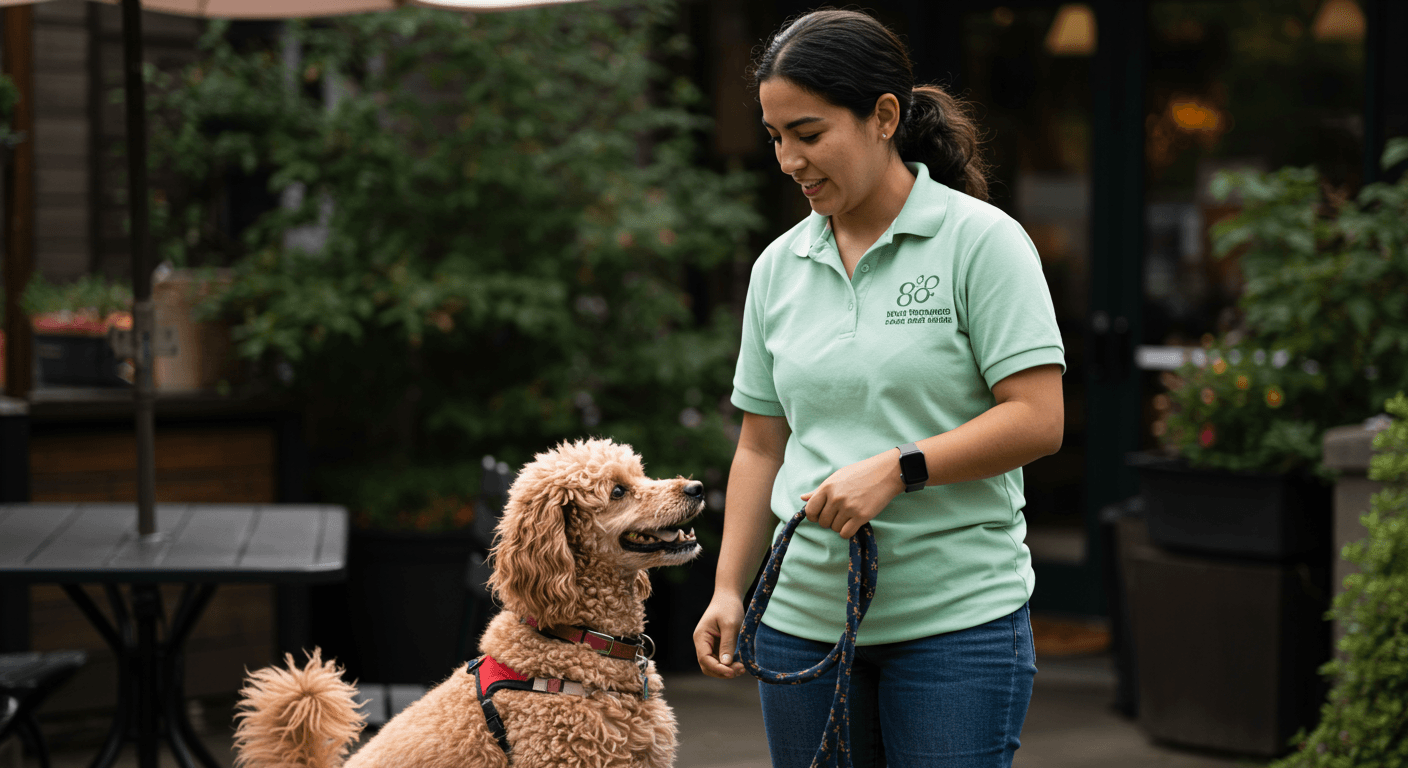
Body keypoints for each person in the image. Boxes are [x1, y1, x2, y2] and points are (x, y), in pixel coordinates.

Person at [691, 9, 1066, 768]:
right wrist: (729, 587)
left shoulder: (982, 243)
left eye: (809, 132)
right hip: (801, 623)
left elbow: (1037, 419)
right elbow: (762, 444)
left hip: (958, 629)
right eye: (775, 138)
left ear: (883, 117)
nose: (789, 159)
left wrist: (901, 468)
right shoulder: (778, 268)